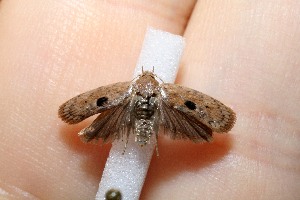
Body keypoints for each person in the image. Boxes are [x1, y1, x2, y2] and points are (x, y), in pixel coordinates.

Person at [0, 1, 299, 199]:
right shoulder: (173, 92)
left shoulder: (125, 88)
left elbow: (79, 107)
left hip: (127, 107)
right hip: (166, 109)